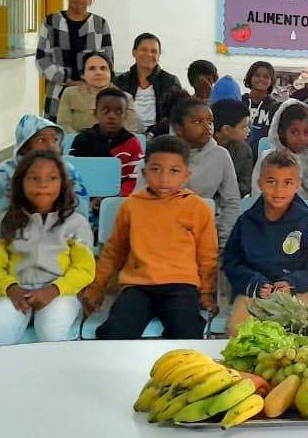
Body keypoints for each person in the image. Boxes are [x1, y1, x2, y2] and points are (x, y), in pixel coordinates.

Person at [81, 135, 219, 339]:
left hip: (181, 286)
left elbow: (207, 256)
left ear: (186, 175)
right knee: (116, 332)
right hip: (138, 286)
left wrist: (207, 294)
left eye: (174, 171)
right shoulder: (131, 206)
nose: (164, 178)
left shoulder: (197, 208)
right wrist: (96, 288)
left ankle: (175, 370)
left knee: (187, 331)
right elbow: (113, 252)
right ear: (144, 173)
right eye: (156, 169)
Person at [0, 150, 95, 346]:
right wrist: (12, 289)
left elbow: (84, 269)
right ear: (20, 183)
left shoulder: (76, 223)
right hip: (15, 292)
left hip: (59, 293)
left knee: (52, 332)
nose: (43, 184)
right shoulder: (3, 223)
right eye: (34, 178)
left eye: (52, 178)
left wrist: (53, 290)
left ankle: (52, 375)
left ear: (62, 184)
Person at [223, 149, 308, 336]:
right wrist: (254, 283)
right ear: (260, 184)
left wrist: (293, 282)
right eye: (271, 182)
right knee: (237, 330)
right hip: (254, 291)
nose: (279, 190)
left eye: (287, 182)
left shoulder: (306, 222)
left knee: (299, 330)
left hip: (296, 291)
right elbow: (232, 263)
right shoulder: (246, 222)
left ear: (297, 185)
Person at [154, 97, 240, 247]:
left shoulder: (220, 155)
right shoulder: (159, 154)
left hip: (202, 235)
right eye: (197, 122)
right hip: (160, 233)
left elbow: (231, 202)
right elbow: (142, 199)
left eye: (210, 122)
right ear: (178, 128)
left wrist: (222, 241)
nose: (208, 127)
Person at [36, 0, 113, 121]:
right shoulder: (52, 22)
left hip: (92, 93)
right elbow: (41, 59)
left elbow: (108, 60)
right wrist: (67, 79)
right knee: (56, 134)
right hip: (58, 91)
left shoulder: (99, 24)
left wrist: (91, 80)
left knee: (89, 133)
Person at [0, 115, 88, 205]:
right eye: (41, 140)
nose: (52, 146)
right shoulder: (5, 172)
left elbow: (81, 209)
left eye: (55, 140)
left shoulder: (68, 170)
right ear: (24, 147)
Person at [250, 99, 308, 201]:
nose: (301, 138)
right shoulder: (267, 158)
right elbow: (258, 193)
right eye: (294, 132)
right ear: (281, 132)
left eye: (306, 132)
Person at [70, 88, 144, 196]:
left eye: (118, 112)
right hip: (84, 200)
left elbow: (135, 180)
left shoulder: (131, 142)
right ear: (95, 113)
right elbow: (72, 176)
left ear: (126, 116)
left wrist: (113, 198)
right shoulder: (82, 140)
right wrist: (88, 199)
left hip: (119, 202)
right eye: (105, 111)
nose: (112, 116)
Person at [113, 33, 183, 135]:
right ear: (134, 52)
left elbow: (176, 115)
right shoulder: (120, 81)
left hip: (160, 138)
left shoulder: (170, 81)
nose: (149, 54)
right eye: (144, 50)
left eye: (153, 51)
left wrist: (153, 132)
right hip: (125, 136)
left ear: (159, 56)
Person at [57, 52, 136, 134]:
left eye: (103, 68)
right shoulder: (70, 93)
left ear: (110, 73)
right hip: (78, 143)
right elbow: (64, 126)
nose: (98, 72)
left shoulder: (125, 98)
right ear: (82, 74)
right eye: (92, 68)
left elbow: (130, 132)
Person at [211, 100, 253, 198]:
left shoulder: (244, 151)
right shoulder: (202, 147)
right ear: (227, 130)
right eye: (244, 127)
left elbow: (245, 185)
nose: (248, 130)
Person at [240, 62, 281, 160]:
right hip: (239, 158)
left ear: (271, 81)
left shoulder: (276, 107)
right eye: (257, 75)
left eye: (266, 77)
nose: (261, 79)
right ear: (250, 77)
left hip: (263, 160)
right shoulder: (239, 102)